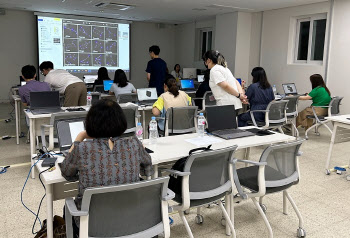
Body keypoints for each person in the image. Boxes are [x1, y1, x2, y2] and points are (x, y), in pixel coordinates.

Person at [60, 99, 153, 236]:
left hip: (92, 224)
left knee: (66, 208)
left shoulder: (82, 148)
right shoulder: (134, 143)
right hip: (131, 217)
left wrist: (80, 137)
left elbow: (67, 172)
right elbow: (147, 169)